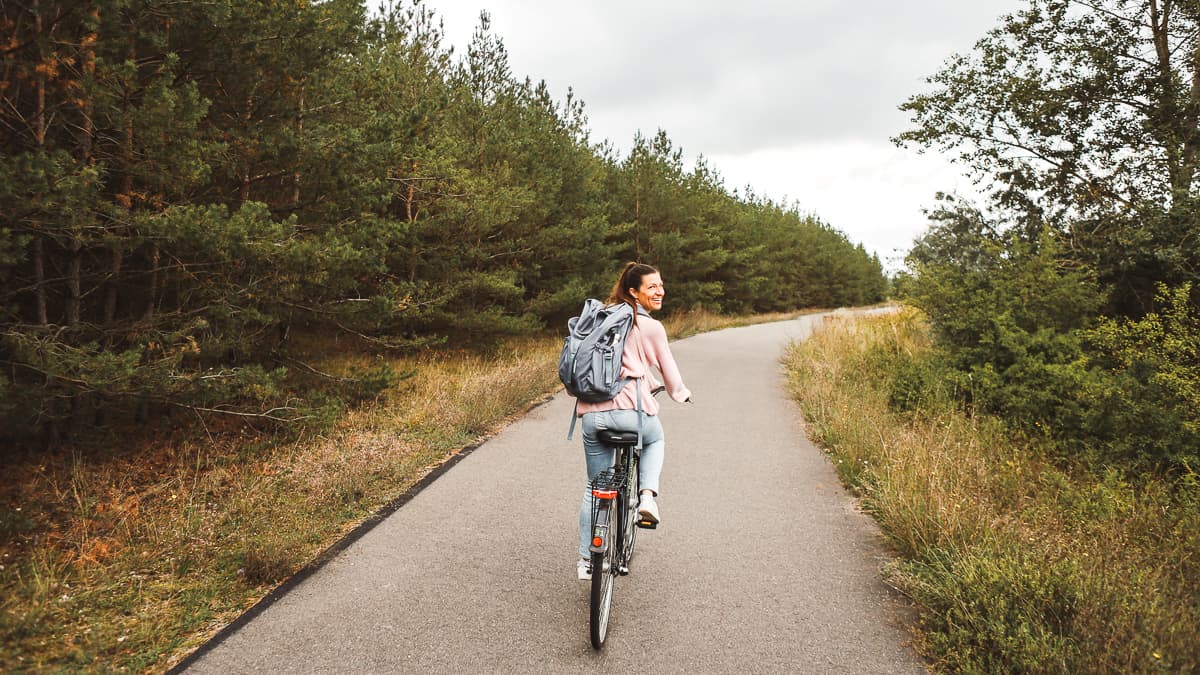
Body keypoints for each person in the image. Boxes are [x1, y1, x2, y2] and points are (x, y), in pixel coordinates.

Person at [576, 262, 691, 580]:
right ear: (633, 291)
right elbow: (670, 374)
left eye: (661, 285)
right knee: (656, 438)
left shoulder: (600, 318)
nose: (660, 291)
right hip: (631, 415)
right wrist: (681, 394)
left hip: (591, 414)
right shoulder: (649, 326)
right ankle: (647, 498)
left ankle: (587, 561)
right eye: (652, 286)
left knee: (595, 487)